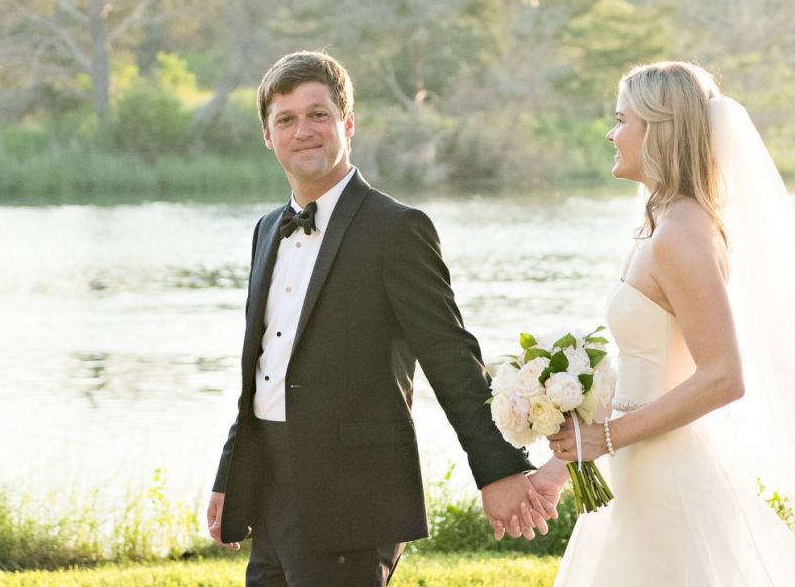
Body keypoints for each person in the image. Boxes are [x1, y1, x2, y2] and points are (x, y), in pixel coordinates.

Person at [535, 61, 795, 586]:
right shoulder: (663, 224)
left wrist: (608, 436)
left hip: (667, 474)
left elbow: (723, 377)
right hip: (640, 469)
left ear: (659, 131)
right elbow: (645, 372)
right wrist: (563, 467)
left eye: (622, 120)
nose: (611, 132)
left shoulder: (681, 233)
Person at [206, 51, 554, 587]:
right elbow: (263, 370)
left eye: (318, 114)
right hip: (270, 491)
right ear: (268, 137)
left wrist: (500, 467)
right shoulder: (266, 229)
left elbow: (451, 357)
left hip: (352, 496)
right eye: (286, 119)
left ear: (346, 123)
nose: (304, 131)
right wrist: (232, 475)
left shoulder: (397, 229)